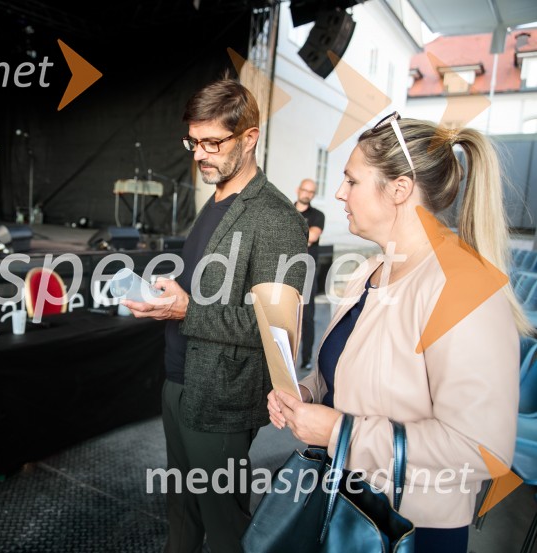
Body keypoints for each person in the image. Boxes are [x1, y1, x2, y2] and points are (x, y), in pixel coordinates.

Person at [268, 112, 528, 553]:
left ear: (400, 189)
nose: (339, 193)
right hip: (345, 499)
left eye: (351, 181)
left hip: (408, 528)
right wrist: (307, 395)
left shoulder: (462, 285)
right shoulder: (370, 269)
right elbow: (345, 370)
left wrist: (336, 431)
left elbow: (481, 447)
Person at [122, 80, 307, 553]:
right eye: (194, 142)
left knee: (224, 527)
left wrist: (187, 309)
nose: (201, 154)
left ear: (250, 138)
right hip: (179, 381)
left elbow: (275, 331)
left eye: (213, 143)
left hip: (221, 399)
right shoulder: (218, 199)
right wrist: (170, 298)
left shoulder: (276, 219)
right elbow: (210, 294)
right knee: (181, 511)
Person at [293, 178, 324, 370]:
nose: (307, 194)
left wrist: (289, 234)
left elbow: (311, 237)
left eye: (311, 192)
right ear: (298, 190)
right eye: (305, 190)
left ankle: (306, 359)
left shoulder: (318, 215)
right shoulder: (286, 209)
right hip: (284, 267)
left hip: (307, 270)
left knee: (307, 316)